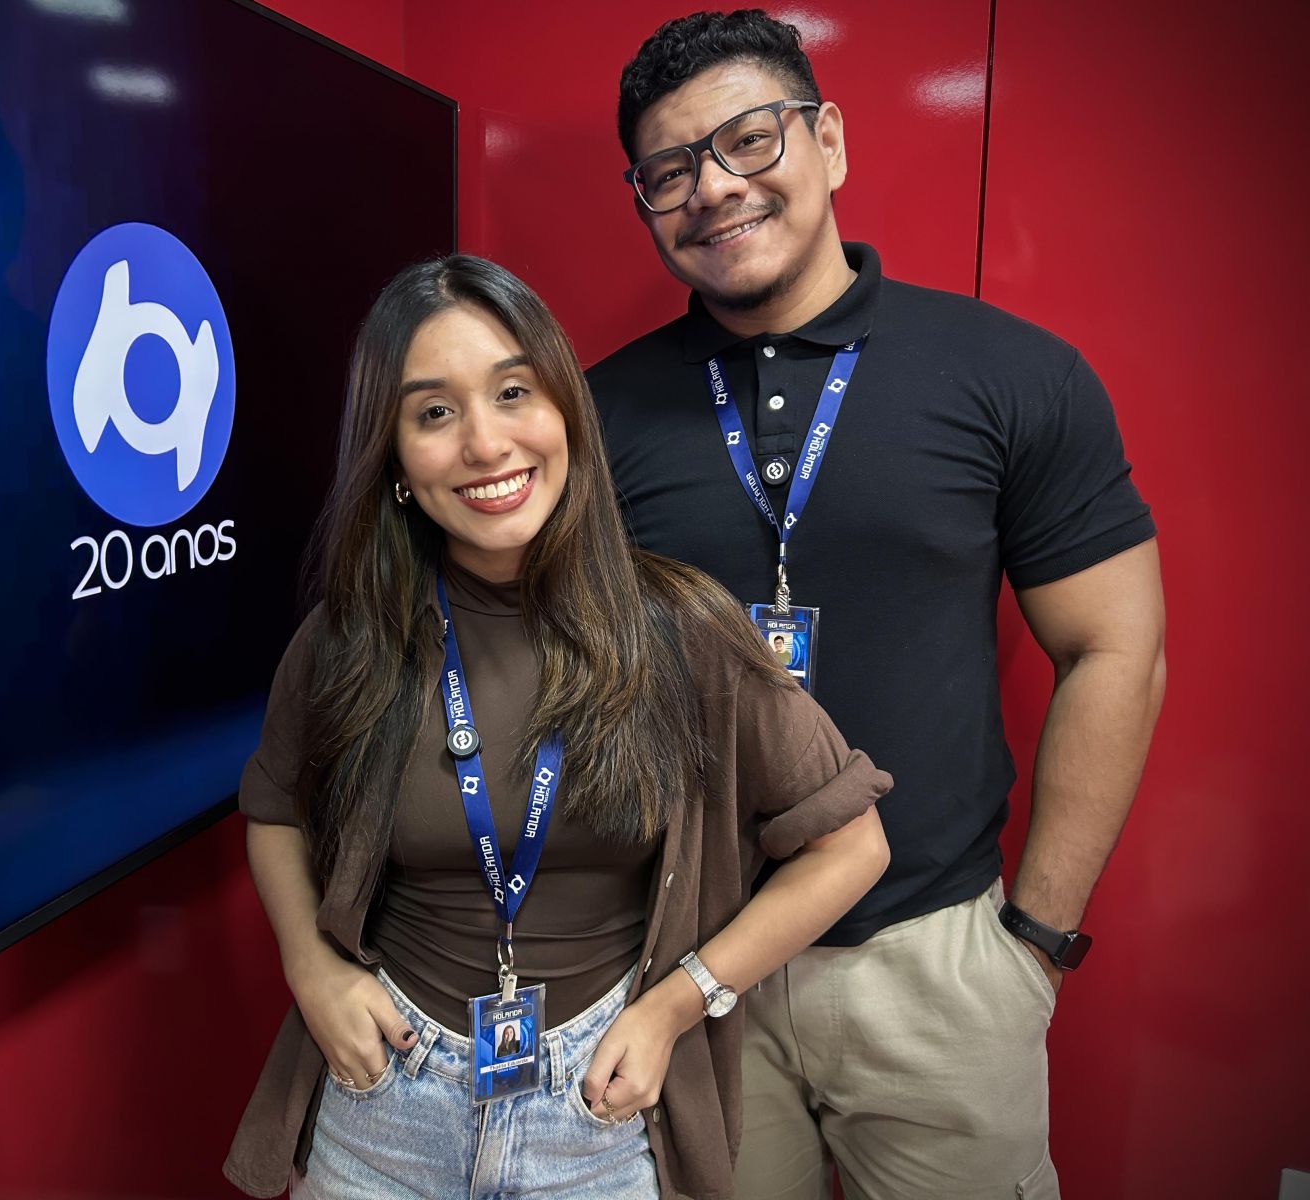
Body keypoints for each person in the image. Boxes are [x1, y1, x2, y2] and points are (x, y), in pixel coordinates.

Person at [587, 12, 1167, 1200]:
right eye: (669, 170)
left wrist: (1034, 945)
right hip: (699, 972)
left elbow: (1115, 648)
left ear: (829, 141)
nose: (714, 188)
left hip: (935, 961)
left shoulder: (1008, 373)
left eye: (749, 141)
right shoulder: (595, 415)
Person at [221, 254, 892, 1200]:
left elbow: (851, 844)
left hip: (598, 1109)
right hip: (386, 1103)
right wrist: (309, 966)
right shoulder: (349, 637)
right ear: (397, 461)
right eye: (434, 412)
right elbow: (276, 810)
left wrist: (673, 1007)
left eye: (512, 391)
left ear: (567, 411)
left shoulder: (683, 630)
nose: (486, 444)